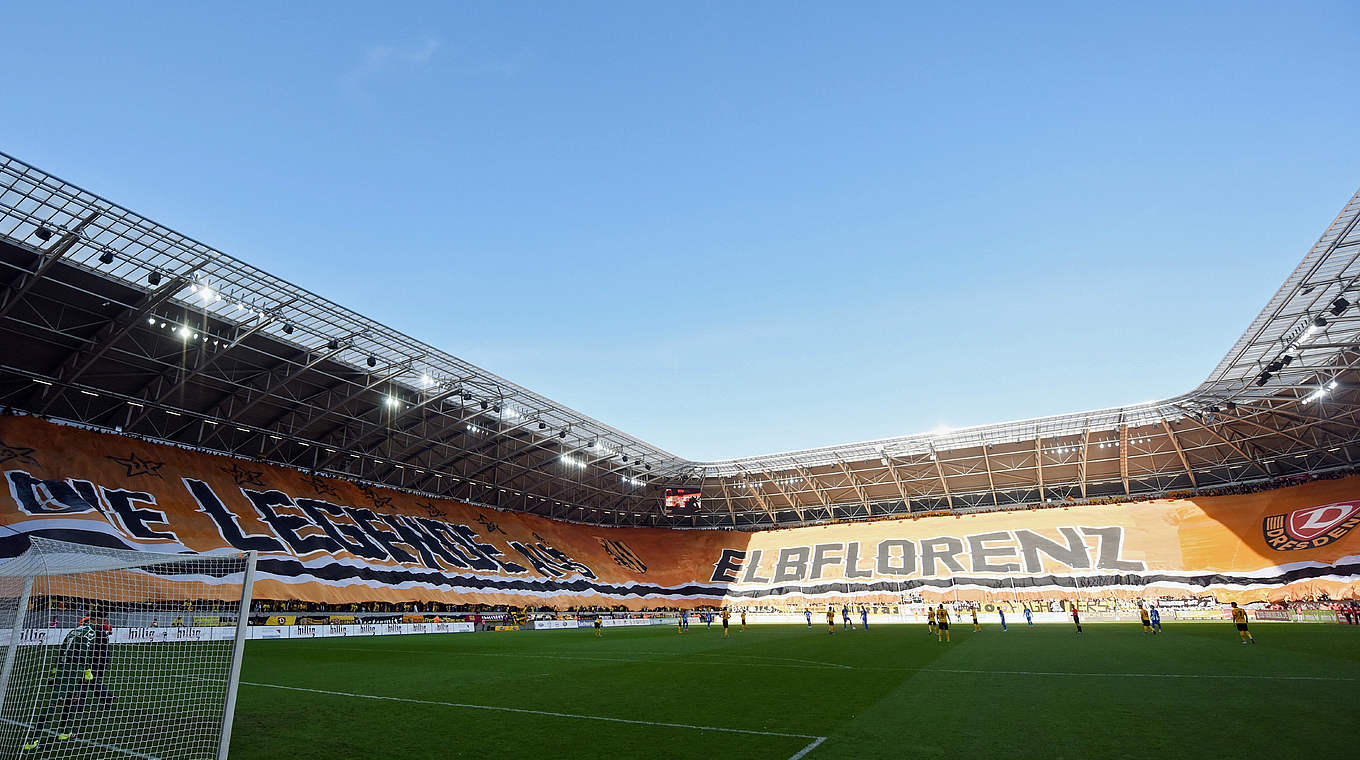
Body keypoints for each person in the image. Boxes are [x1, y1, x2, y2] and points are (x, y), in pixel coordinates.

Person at [22, 612, 101, 751]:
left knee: (72, 700)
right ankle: (32, 740)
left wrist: (54, 671)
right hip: (71, 671)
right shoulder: (90, 632)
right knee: (54, 703)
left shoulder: (74, 630)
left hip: (63, 669)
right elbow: (84, 651)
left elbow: (62, 650)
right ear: (97, 620)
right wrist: (87, 669)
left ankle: (66, 732)